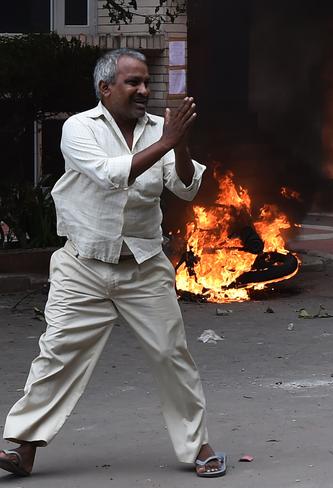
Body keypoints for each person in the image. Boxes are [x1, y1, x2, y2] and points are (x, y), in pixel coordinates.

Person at [0, 49, 226, 478]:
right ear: (105, 89)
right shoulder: (78, 128)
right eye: (133, 83)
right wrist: (166, 142)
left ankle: (198, 446)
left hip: (142, 264)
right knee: (58, 355)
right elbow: (109, 174)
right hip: (82, 264)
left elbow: (186, 188)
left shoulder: (161, 129)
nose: (143, 90)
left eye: (146, 82)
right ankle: (22, 448)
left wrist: (180, 145)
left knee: (171, 355)